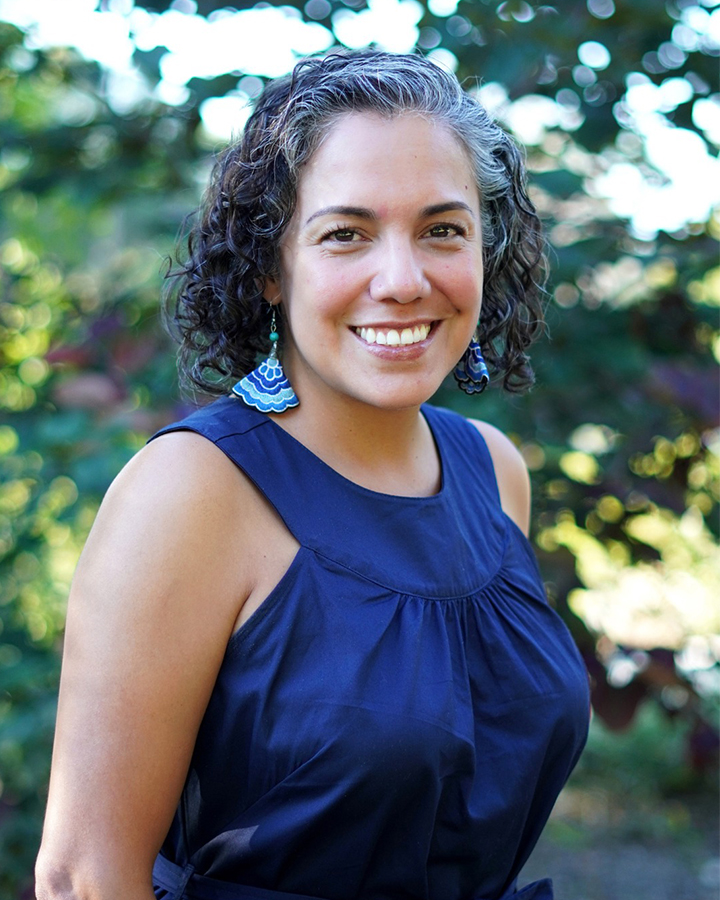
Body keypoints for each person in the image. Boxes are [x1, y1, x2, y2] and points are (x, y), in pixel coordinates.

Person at [35, 50, 590, 900]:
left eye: (443, 230)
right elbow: (84, 877)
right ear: (269, 267)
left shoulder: (495, 473)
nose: (402, 280)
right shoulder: (193, 491)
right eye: (345, 234)